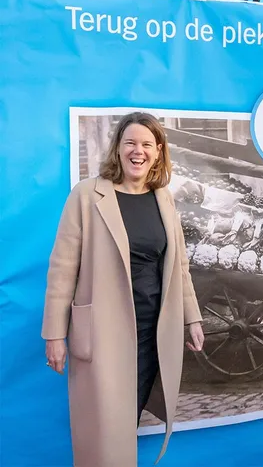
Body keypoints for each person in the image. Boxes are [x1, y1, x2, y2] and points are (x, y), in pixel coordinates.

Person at [42, 112, 205, 466]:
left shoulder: (163, 198)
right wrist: (54, 334)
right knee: (104, 429)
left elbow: (179, 265)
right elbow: (62, 268)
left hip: (152, 334)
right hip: (103, 334)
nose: (138, 151)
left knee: (126, 422)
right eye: (130, 142)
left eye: (147, 144)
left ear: (158, 152)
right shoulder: (87, 195)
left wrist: (192, 318)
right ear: (117, 148)